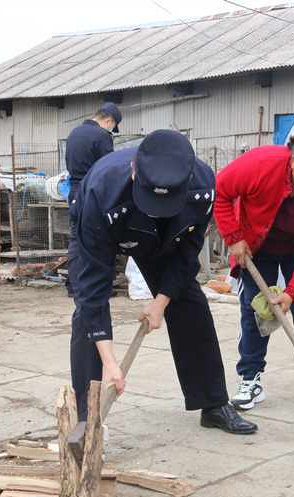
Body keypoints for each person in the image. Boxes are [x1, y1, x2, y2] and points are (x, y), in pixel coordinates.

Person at [69, 129, 257, 435]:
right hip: (111, 224)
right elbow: (93, 289)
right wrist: (110, 362)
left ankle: (212, 403)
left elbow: (186, 256)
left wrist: (161, 301)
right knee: (87, 317)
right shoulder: (101, 192)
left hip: (165, 236)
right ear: (133, 170)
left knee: (190, 303)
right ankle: (86, 419)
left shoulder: (203, 186)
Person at [214, 131, 294, 412]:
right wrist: (234, 237)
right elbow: (220, 192)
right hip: (257, 248)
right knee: (254, 311)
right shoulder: (260, 163)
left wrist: (292, 292)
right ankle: (250, 378)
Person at [64, 102, 122, 296]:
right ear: (108, 121)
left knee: (76, 237)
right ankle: (98, 288)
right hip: (93, 191)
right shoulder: (102, 136)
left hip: (73, 190)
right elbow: (108, 167)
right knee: (98, 239)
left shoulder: (74, 133)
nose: (111, 131)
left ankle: (74, 286)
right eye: (112, 127)